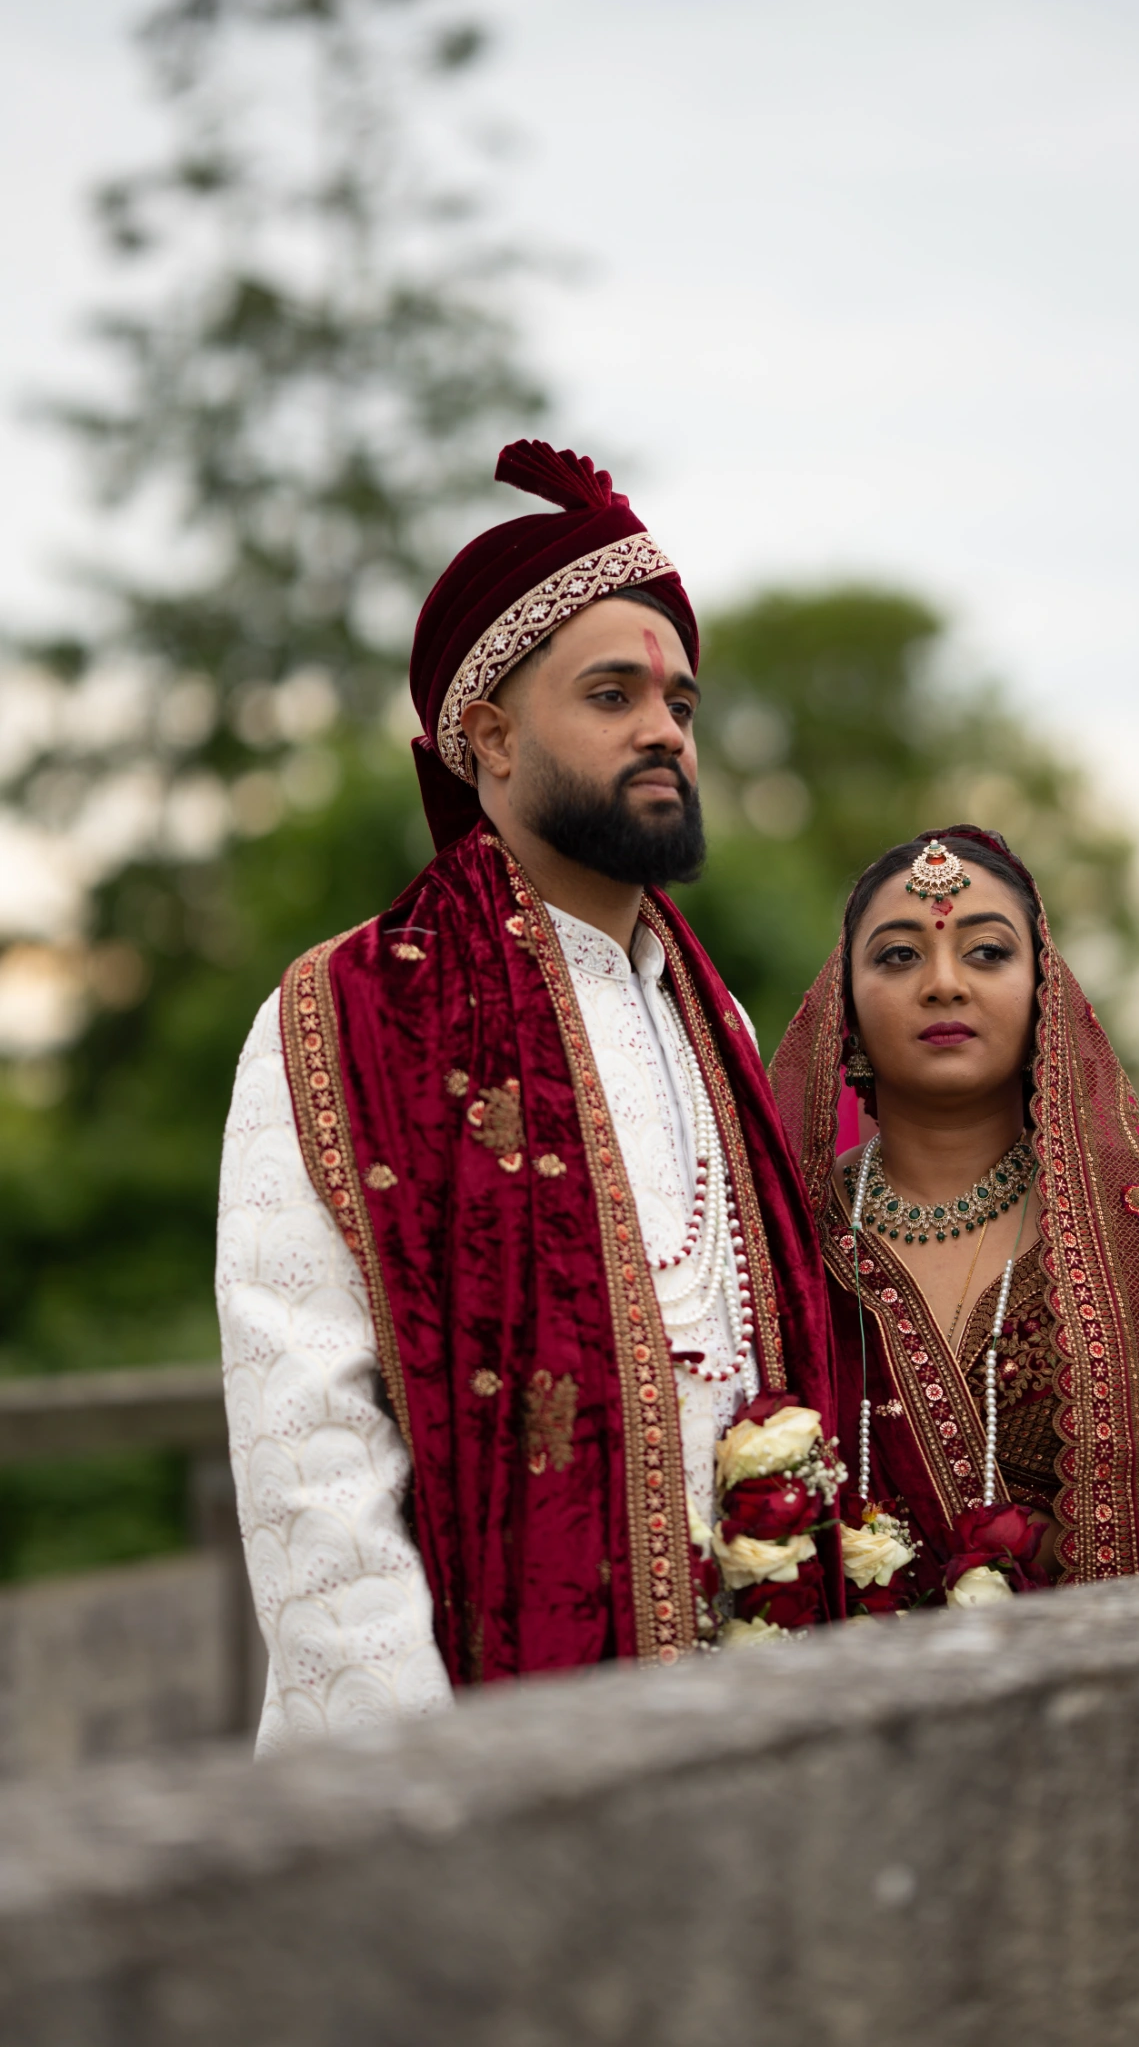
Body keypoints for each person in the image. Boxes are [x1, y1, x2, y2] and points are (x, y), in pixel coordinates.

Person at [217, 440, 838, 1753]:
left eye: (680, 701)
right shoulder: (346, 1018)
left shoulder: (719, 1022)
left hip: (746, 1740)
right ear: (488, 739)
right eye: (613, 693)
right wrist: (421, 1787)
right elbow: (309, 1455)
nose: (665, 729)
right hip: (472, 1763)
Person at [769, 825, 1139, 1612]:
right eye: (899, 955)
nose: (944, 983)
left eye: (987, 952)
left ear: (1042, 990)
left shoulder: (1138, 1235)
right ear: (844, 1005)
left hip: (1091, 1672)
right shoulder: (778, 1233)